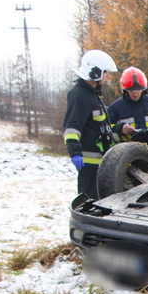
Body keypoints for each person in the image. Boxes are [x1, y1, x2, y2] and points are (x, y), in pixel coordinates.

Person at [63, 50, 118, 199]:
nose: (107, 76)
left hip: (100, 163)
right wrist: (74, 151)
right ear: (95, 72)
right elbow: (72, 126)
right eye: (105, 72)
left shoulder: (92, 94)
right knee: (90, 203)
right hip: (89, 164)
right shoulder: (80, 95)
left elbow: (99, 126)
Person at [107, 67, 148, 151]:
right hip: (126, 154)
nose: (135, 93)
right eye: (132, 91)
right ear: (125, 90)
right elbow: (107, 129)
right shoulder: (115, 107)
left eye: (138, 90)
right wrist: (120, 128)